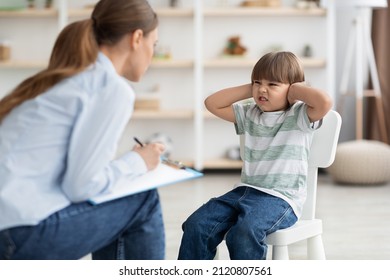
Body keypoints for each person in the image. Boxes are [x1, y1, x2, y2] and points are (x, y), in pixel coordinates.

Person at [0, 0, 166, 260]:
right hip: (17, 234)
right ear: (136, 38)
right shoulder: (110, 87)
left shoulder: (65, 77)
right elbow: (81, 186)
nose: (152, 54)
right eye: (153, 45)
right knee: (142, 198)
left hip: (8, 222)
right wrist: (138, 162)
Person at [178, 51, 332, 260]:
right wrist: (254, 87)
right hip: (245, 191)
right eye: (257, 82)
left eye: (273, 84)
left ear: (293, 90)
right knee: (197, 225)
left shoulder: (299, 115)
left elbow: (324, 102)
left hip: (281, 198)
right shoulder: (250, 112)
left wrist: (294, 90)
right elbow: (211, 103)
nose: (262, 89)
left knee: (242, 234)